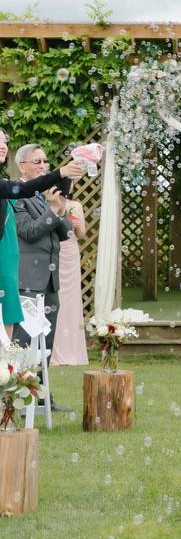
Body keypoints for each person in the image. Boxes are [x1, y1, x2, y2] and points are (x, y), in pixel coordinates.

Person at [0, 133, 84, 341]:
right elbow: (30, 231)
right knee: (23, 341)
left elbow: (65, 233)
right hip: (26, 277)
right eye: (37, 161)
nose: (43, 165)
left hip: (49, 280)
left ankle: (34, 375)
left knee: (45, 343)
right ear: (21, 165)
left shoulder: (42, 194)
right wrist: (60, 174)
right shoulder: (15, 194)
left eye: (4, 141)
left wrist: (58, 208)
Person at [50, 177, 89, 365]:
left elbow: (81, 234)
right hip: (53, 252)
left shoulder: (76, 205)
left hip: (70, 253)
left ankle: (71, 351)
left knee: (71, 299)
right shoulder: (49, 203)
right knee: (54, 298)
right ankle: (53, 349)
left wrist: (74, 220)